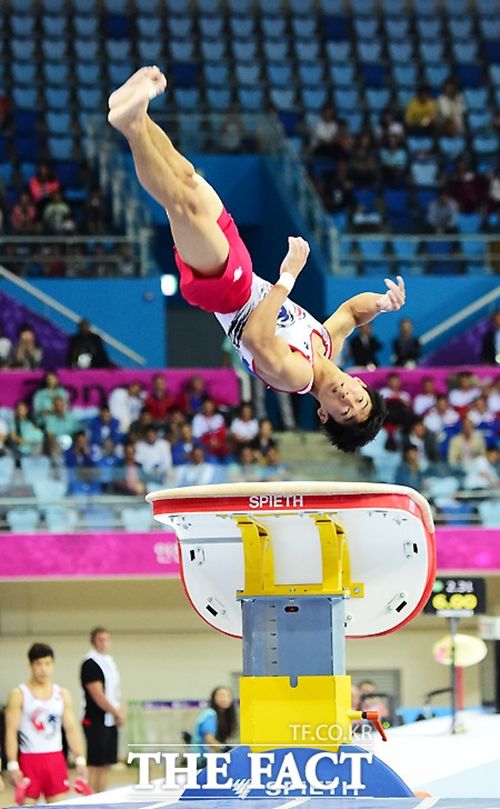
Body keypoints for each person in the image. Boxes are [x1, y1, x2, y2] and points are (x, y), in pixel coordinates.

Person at [108, 67, 406, 453]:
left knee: (180, 204)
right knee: (183, 176)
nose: (347, 399)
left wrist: (286, 278)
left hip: (229, 293)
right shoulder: (326, 346)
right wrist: (382, 305)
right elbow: (352, 311)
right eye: (358, 399)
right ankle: (137, 115)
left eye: (344, 412)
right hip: (240, 273)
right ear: (362, 383)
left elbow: (254, 337)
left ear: (324, 415)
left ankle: (131, 125)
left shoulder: (296, 375)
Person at [5, 642, 88, 805]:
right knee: (26, 806)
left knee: (59, 806)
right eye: (39, 664)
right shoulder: (19, 694)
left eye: (48, 664)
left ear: (53, 665)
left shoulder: (62, 694)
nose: (43, 669)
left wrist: (80, 759)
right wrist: (13, 764)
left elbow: (71, 729)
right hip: (29, 761)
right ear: (30, 665)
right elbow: (10, 731)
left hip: (55, 760)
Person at [80, 627, 125, 794]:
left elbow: (116, 691)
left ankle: (101, 794)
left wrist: (120, 711)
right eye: (101, 640)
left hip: (110, 719)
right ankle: (89, 797)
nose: (104, 643)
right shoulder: (90, 664)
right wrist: (116, 712)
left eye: (107, 639)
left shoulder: (110, 663)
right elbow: (97, 694)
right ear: (94, 642)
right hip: (96, 719)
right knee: (95, 762)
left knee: (107, 762)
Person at [191, 687, 237, 767]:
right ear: (214, 698)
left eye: (228, 696)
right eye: (221, 696)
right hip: (202, 759)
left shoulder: (224, 716)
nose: (225, 699)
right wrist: (226, 749)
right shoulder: (210, 715)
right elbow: (210, 740)